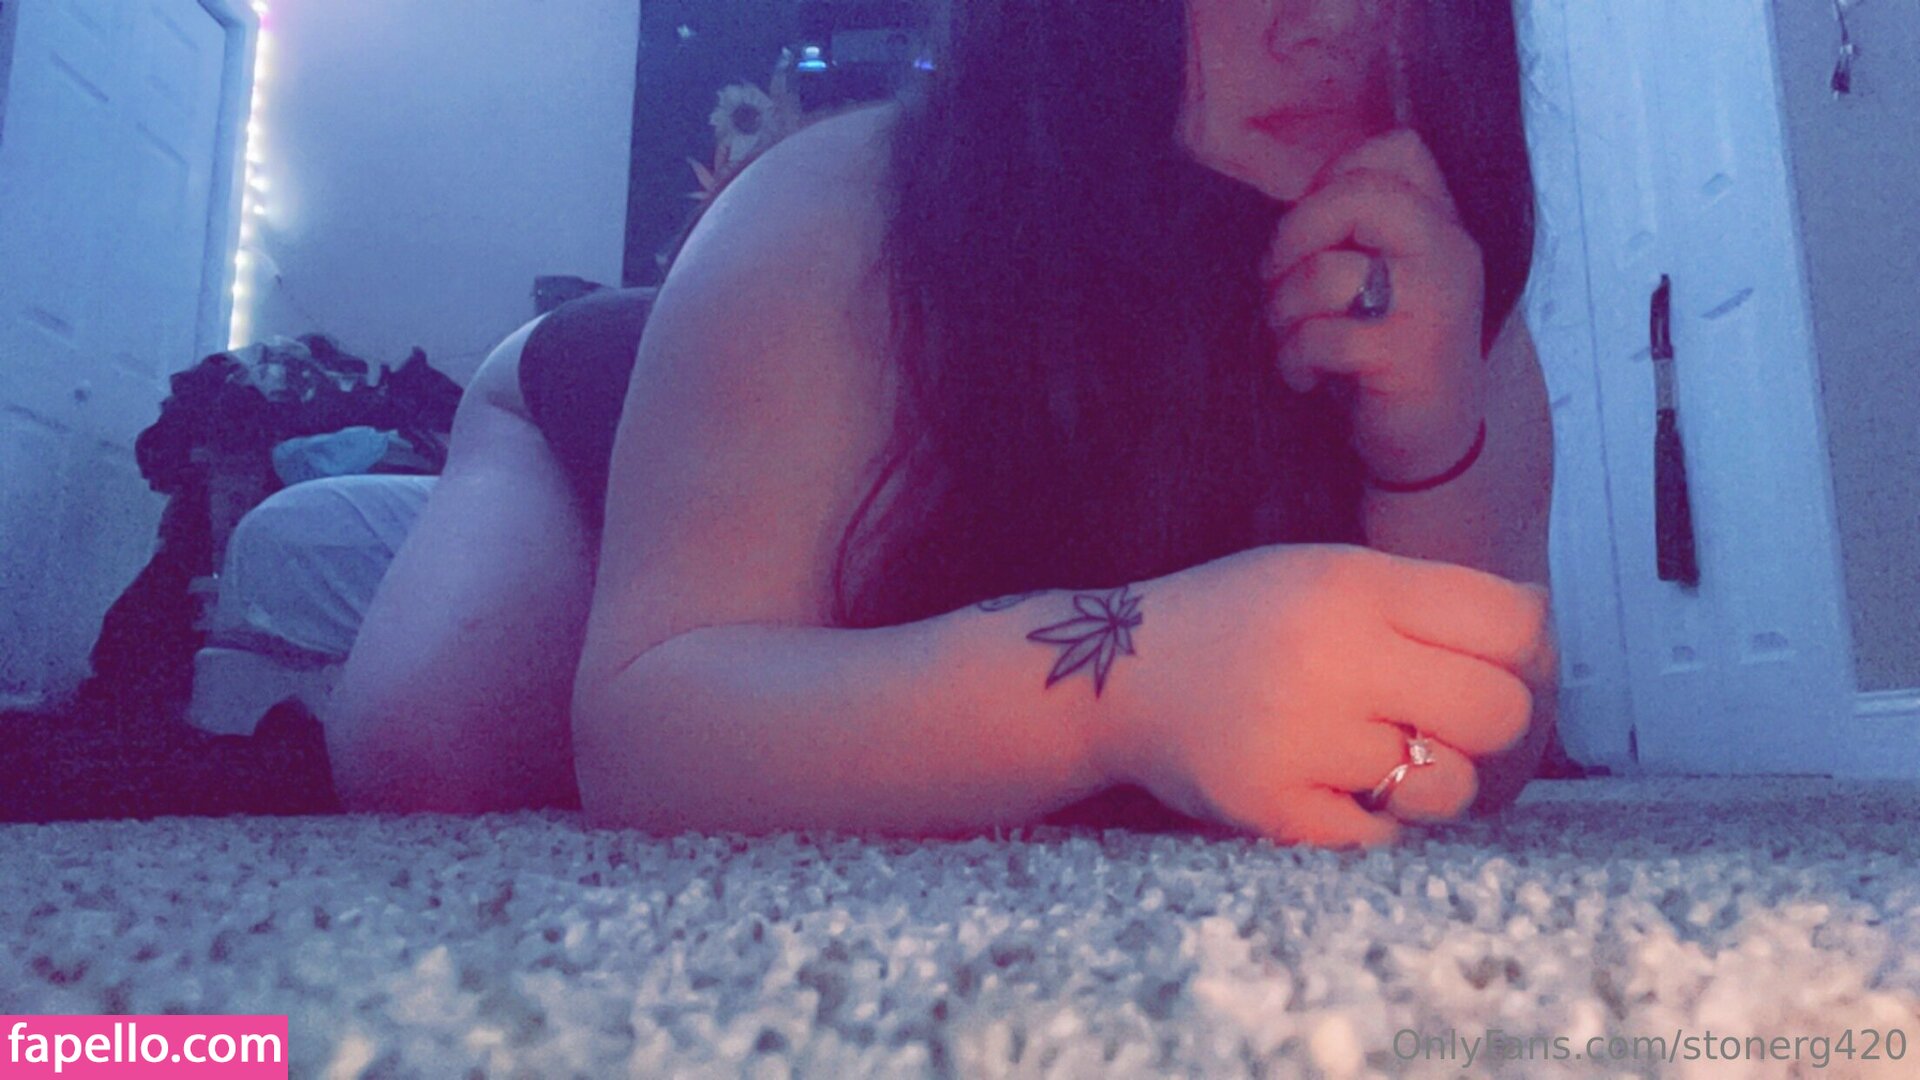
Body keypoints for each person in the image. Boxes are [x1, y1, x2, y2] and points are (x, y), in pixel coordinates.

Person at [325, 0, 1558, 849]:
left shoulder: (1429, 274)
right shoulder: (838, 209)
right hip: (628, 408)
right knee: (432, 763)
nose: (1334, 21)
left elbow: (1484, 747)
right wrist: (1121, 688)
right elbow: (648, 731)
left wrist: (1424, 448)